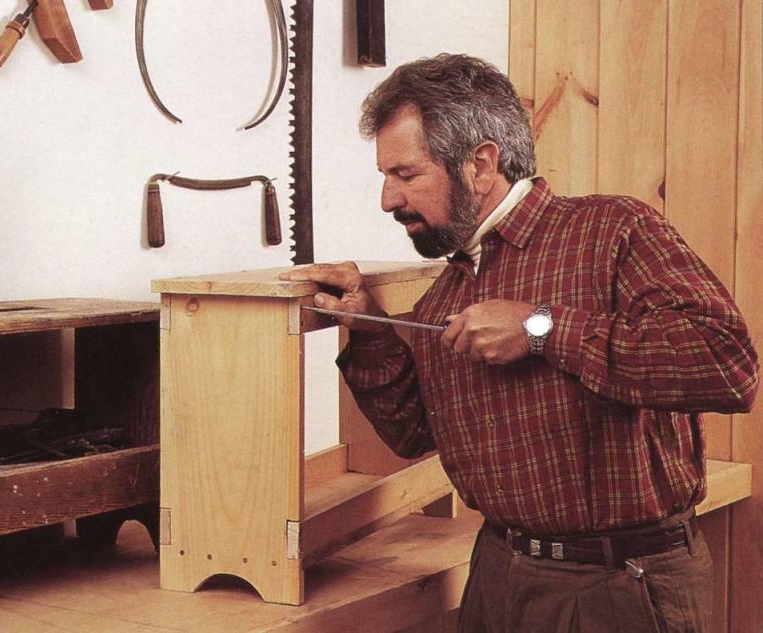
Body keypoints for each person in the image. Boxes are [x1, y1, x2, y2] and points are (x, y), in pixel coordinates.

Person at [280, 53, 758, 633]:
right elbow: (413, 434)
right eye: (385, 177)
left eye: (406, 175)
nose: (388, 200)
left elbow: (726, 364)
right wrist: (369, 327)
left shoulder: (611, 231)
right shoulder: (445, 293)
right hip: (498, 574)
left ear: (481, 164)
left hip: (616, 583)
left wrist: (541, 329)